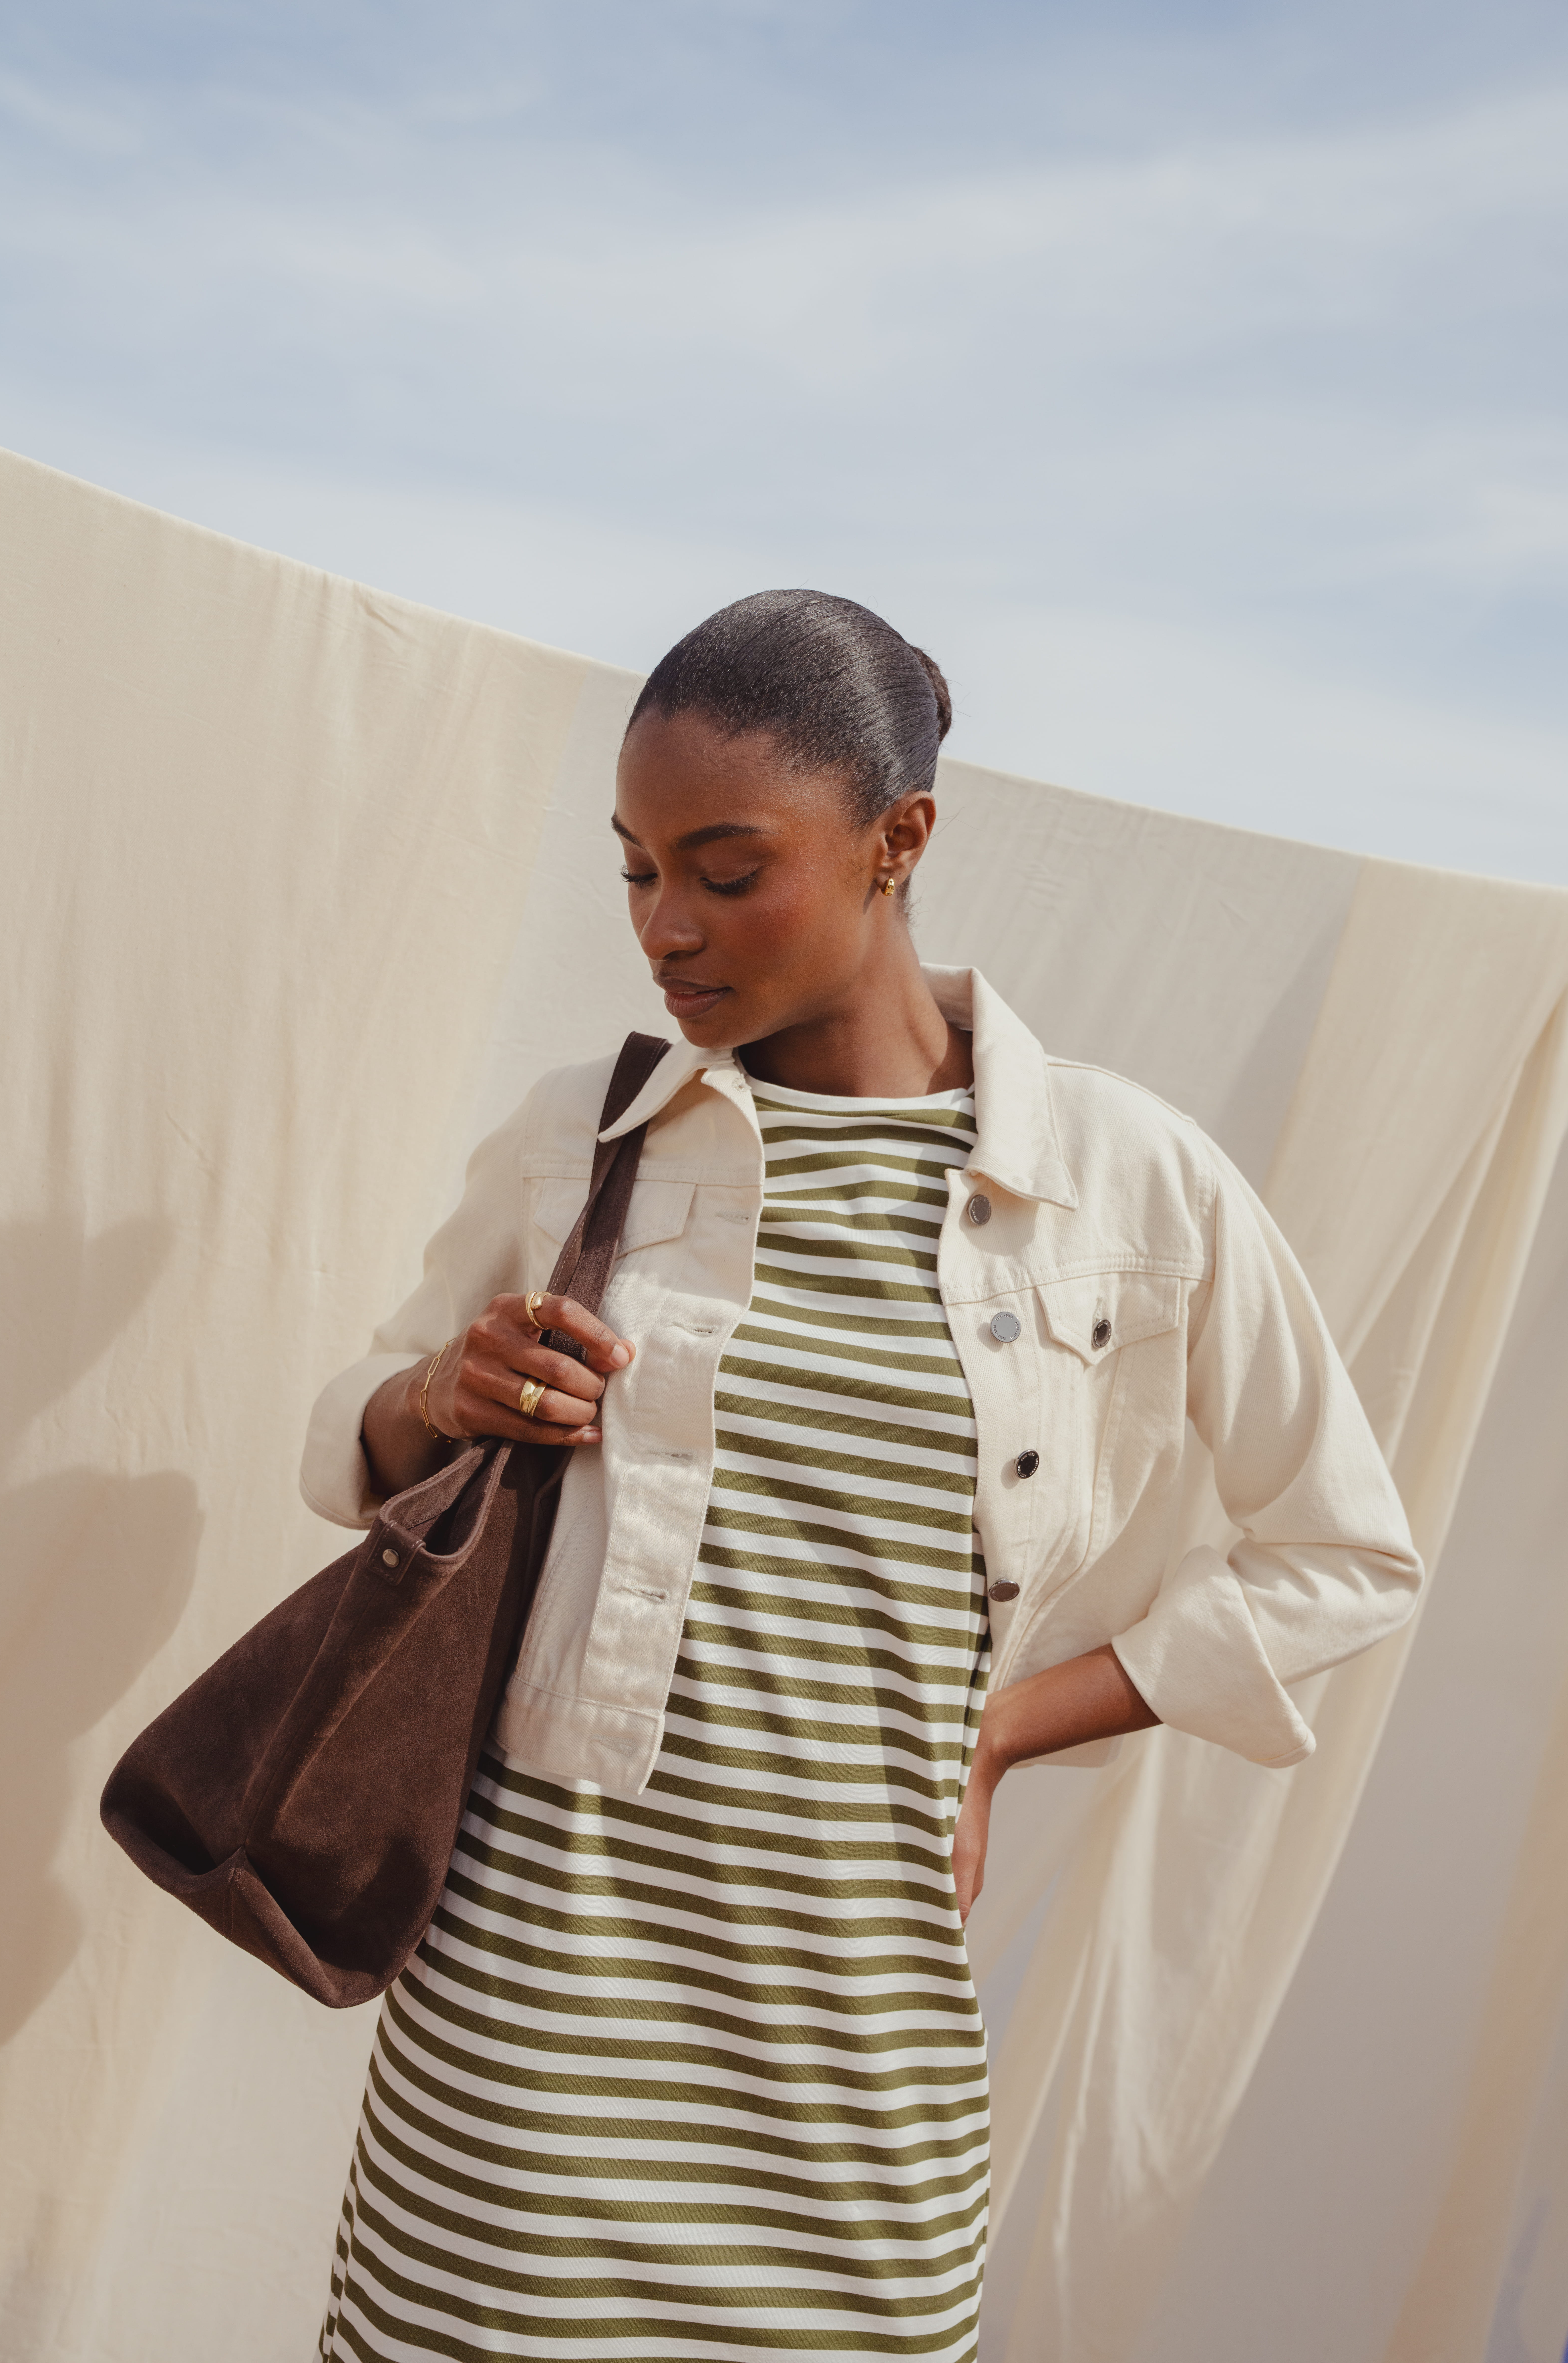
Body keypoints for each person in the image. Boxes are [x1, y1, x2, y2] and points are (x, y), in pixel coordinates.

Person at [300, 589, 1422, 2363]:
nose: (666, 926)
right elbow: (356, 1446)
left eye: (727, 869)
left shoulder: (1134, 1184)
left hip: (857, 2076)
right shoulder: (582, 1131)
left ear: (899, 839)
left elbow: (1349, 1556)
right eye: (635, 870)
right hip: (527, 2054)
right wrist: (443, 1389)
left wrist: (996, 1725)